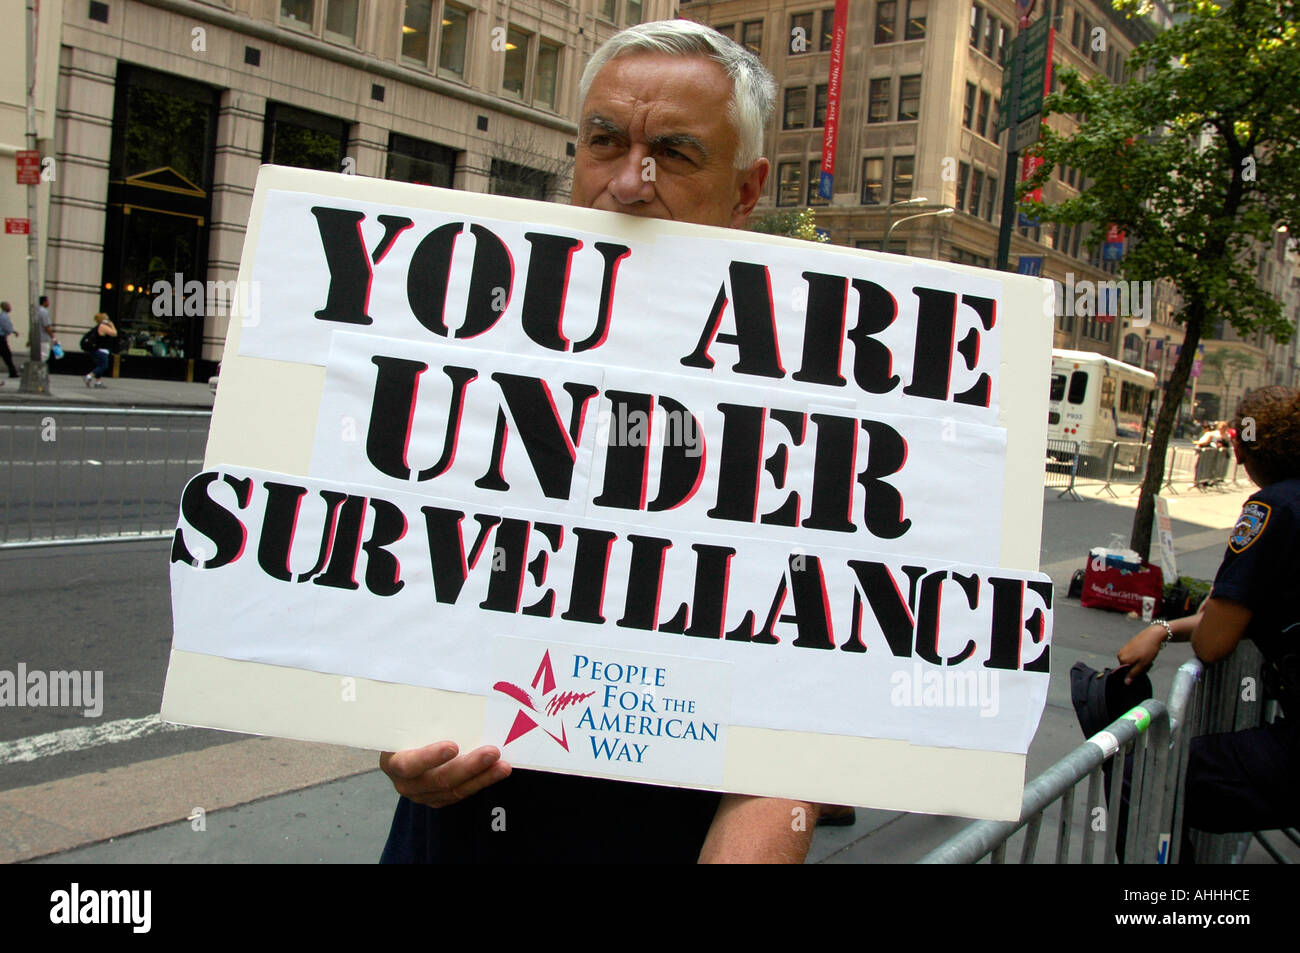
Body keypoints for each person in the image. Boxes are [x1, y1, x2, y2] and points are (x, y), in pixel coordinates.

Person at [379, 20, 830, 863]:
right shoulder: (464, 344)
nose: (630, 181)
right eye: (604, 142)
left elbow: (802, 730)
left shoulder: (812, 404)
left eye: (676, 152)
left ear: (745, 189)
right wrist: (392, 739)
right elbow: (386, 610)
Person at [1119, 385, 1300, 852]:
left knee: (1159, 772)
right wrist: (1163, 629)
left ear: (1244, 449)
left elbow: (1215, 641)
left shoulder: (1272, 509)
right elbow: (1230, 618)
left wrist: (1210, 611)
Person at [83, 313, 117, 388]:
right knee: (104, 365)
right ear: (104, 320)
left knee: (100, 365)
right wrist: (112, 325)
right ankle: (88, 376)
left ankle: (98, 382)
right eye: (107, 319)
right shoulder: (103, 326)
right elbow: (114, 333)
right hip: (101, 351)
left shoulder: (98, 327)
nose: (108, 320)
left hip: (96, 350)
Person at [36, 295, 57, 365]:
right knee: (44, 356)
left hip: (36, 338)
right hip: (43, 338)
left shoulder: (36, 311)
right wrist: (53, 338)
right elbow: (47, 326)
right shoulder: (44, 312)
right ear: (44, 302)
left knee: (37, 356)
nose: (49, 303)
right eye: (48, 301)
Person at [0, 301, 18, 379]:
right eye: (9, 306)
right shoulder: (4, 316)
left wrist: (13, 331)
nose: (10, 308)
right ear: (5, 307)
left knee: (7, 355)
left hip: (2, 338)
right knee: (7, 355)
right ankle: (13, 372)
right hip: (1, 339)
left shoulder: (4, 316)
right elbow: (6, 327)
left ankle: (13, 372)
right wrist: (12, 331)